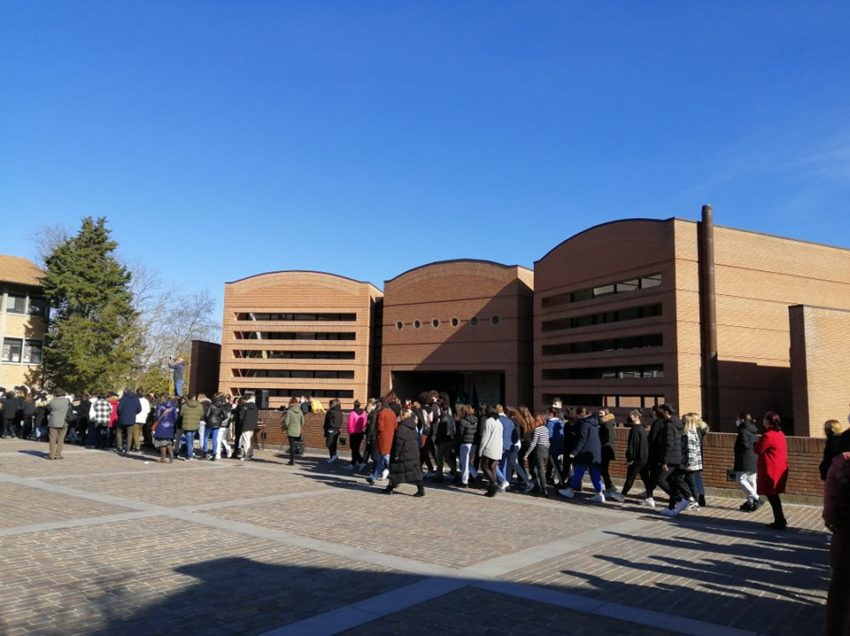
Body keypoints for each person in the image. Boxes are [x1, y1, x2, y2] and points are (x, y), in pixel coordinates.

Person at [823, 450, 850, 636]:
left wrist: (832, 523)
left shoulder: (841, 464)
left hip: (845, 533)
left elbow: (830, 503)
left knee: (842, 589)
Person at [559, 407, 606, 503]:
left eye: (577, 414)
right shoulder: (595, 423)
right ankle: (600, 494)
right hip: (595, 452)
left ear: (580, 414)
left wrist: (574, 452)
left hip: (585, 453)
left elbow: (582, 439)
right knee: (595, 473)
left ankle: (570, 490)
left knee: (579, 471)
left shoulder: (584, 424)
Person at [755, 410, 789, 529]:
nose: (763, 421)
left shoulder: (768, 435)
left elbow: (758, 449)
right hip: (779, 467)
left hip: (771, 469)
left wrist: (755, 443)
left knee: (772, 495)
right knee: (774, 495)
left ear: (768, 421)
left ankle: (779, 520)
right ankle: (780, 519)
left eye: (765, 419)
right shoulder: (780, 433)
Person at [383, 407, 426, 497]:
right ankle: (421, 489)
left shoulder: (401, 428)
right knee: (415, 472)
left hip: (404, 453)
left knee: (395, 470)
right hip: (413, 453)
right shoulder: (413, 426)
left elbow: (398, 443)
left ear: (402, 416)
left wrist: (396, 454)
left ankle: (390, 488)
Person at [367, 394, 399, 485]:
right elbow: (395, 425)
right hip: (390, 437)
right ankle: (373, 476)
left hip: (382, 439)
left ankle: (396, 475)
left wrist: (376, 434)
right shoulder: (392, 413)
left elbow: (380, 428)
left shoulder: (381, 413)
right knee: (380, 459)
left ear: (381, 403)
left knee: (386, 458)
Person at [733, 413, 760, 511]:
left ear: (742, 420)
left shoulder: (743, 431)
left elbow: (745, 445)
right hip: (754, 458)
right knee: (752, 481)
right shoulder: (752, 430)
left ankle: (756, 497)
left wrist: (737, 449)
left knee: (740, 479)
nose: (737, 421)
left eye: (738, 419)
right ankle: (751, 503)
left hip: (745, 459)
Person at [621, 409, 650, 498]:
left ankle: (622, 495)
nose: (629, 417)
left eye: (631, 416)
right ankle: (650, 497)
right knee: (646, 479)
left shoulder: (634, 430)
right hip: (644, 458)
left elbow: (632, 446)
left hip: (636, 459)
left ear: (636, 416)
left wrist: (629, 458)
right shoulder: (642, 429)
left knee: (630, 477)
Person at [598, 409, 624, 502]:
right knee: (603, 469)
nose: (599, 414)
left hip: (605, 450)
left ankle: (610, 487)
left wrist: (603, 445)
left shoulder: (606, 424)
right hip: (606, 450)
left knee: (603, 469)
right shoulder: (607, 423)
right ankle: (609, 487)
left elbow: (608, 438)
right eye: (599, 413)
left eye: (601, 413)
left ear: (606, 414)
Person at [524, 413, 551, 497]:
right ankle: (539, 486)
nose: (534, 422)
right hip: (545, 451)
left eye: (536, 420)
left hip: (539, 451)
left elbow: (534, 443)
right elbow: (548, 442)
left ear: (539, 421)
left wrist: (526, 454)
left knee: (540, 470)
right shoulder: (546, 429)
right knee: (535, 469)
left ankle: (544, 489)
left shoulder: (537, 430)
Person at [456, 404, 479, 487]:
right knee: (468, 462)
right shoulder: (476, 420)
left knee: (464, 463)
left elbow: (460, 434)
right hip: (473, 444)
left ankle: (464, 481)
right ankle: (476, 475)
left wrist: (457, 443)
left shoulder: (463, 421)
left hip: (465, 443)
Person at [46, 389, 72, 460]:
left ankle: (51, 455)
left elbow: (48, 408)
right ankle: (58, 454)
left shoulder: (52, 401)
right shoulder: (67, 401)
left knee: (52, 439)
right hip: (64, 422)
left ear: (55, 394)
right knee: (61, 439)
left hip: (53, 422)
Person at [115, 388, 141, 455]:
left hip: (122, 418)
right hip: (132, 418)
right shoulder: (136, 399)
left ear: (125, 392)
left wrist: (120, 414)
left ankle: (119, 447)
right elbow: (139, 409)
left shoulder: (123, 399)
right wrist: (133, 413)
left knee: (119, 431)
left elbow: (119, 409)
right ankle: (128, 448)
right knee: (129, 433)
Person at [152, 398, 178, 463]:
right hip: (170, 426)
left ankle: (163, 458)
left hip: (161, 426)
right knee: (168, 442)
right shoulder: (174, 408)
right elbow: (176, 418)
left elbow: (157, 417)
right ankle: (171, 456)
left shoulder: (160, 407)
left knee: (161, 443)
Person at [179, 394, 204, 460]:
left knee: (188, 440)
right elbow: (201, 415)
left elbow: (181, 414)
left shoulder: (184, 405)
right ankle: (190, 453)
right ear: (194, 397)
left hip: (187, 424)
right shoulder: (200, 405)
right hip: (195, 424)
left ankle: (189, 455)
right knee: (191, 440)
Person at [237, 392, 259, 461]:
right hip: (252, 426)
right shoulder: (255, 406)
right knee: (249, 440)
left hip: (245, 425)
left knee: (246, 441)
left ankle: (247, 455)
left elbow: (241, 417)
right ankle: (249, 453)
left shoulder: (244, 406)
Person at [346, 399, 367, 469]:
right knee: (356, 448)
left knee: (354, 449)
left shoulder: (352, 413)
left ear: (354, 405)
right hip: (360, 433)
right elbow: (365, 423)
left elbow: (350, 423)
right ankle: (353, 463)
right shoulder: (364, 413)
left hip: (353, 433)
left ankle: (361, 462)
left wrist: (349, 431)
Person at [283, 397, 303, 465]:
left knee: (292, 446)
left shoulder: (289, 411)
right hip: (298, 430)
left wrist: (286, 427)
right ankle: (293, 459)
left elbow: (286, 422)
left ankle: (292, 460)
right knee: (294, 445)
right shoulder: (300, 411)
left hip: (291, 430)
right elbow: (303, 422)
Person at [323, 398, 343, 463]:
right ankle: (333, 456)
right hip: (337, 429)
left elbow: (327, 421)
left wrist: (326, 428)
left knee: (329, 443)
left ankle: (333, 456)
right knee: (333, 443)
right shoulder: (340, 411)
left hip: (331, 429)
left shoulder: (331, 411)